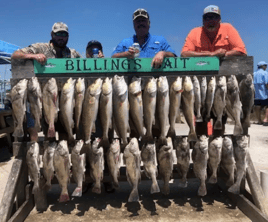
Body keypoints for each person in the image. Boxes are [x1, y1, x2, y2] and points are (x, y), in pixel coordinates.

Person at [11, 22, 81, 141]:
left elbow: (85, 66)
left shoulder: (72, 53)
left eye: (64, 34)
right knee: (50, 137)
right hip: (46, 100)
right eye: (58, 34)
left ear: (68, 36)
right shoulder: (40, 47)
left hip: (65, 99)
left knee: (64, 134)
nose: (61, 37)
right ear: (52, 35)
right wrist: (33, 56)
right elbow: (15, 54)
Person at [112, 8, 176, 68]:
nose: (141, 23)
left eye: (143, 20)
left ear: (149, 23)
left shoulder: (160, 40)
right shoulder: (125, 42)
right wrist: (126, 54)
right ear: (134, 25)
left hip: (155, 79)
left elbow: (173, 55)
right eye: (138, 21)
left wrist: (163, 53)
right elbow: (113, 57)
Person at [181, 5, 247, 58]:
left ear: (219, 19)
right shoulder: (194, 32)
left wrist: (225, 54)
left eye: (214, 17)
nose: (210, 21)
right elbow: (184, 54)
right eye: (207, 18)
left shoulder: (228, 28)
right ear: (203, 20)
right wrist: (212, 55)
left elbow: (241, 50)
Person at [253, 61, 268, 126]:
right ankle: (265, 119)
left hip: (256, 94)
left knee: (257, 107)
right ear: (263, 66)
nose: (266, 67)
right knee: (267, 106)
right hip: (264, 93)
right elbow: (267, 83)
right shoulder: (265, 73)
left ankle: (259, 121)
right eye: (266, 66)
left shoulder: (254, 73)